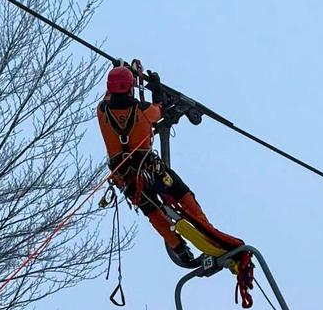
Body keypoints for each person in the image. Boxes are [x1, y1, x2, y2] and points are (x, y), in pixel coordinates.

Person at [97, 66, 245, 266]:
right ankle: (209, 232)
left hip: (126, 178)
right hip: (150, 170)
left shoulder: (102, 111)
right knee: (184, 196)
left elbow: (108, 97)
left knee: (153, 212)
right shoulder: (143, 110)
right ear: (130, 87)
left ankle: (179, 248)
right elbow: (160, 108)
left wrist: (118, 69)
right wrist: (156, 87)